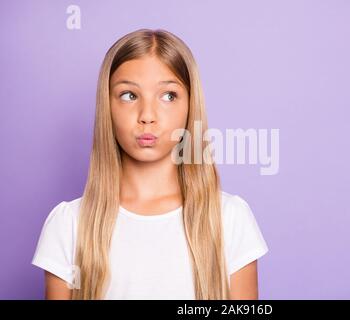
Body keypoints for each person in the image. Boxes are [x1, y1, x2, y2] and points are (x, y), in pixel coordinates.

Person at [31, 28, 269, 300]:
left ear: (190, 106)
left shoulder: (229, 220)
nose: (147, 116)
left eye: (168, 96)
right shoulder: (69, 225)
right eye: (129, 95)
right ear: (106, 106)